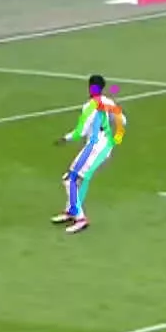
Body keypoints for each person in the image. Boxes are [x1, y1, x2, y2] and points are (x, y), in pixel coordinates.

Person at [52, 75, 127, 234]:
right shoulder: (108, 102)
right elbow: (123, 120)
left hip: (94, 149)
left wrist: (65, 138)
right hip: (105, 147)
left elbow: (81, 131)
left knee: (69, 179)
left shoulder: (89, 106)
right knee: (75, 179)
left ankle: (80, 218)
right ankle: (71, 211)